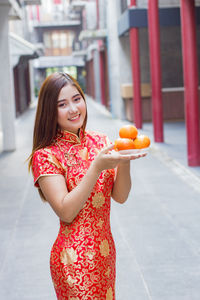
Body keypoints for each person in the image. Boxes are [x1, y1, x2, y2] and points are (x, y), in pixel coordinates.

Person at [28, 72, 146, 300]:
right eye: (62, 104)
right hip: (73, 260)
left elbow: (120, 196)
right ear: (49, 111)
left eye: (77, 99)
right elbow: (66, 211)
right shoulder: (45, 155)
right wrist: (96, 167)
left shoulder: (100, 141)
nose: (73, 109)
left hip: (105, 254)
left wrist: (125, 159)